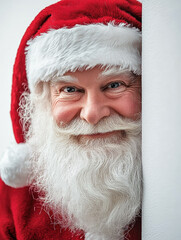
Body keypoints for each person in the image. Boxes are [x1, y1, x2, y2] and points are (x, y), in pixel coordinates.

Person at [0, 0, 142, 239]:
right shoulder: (12, 199)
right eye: (69, 90)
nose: (92, 114)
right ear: (44, 101)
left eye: (114, 85)